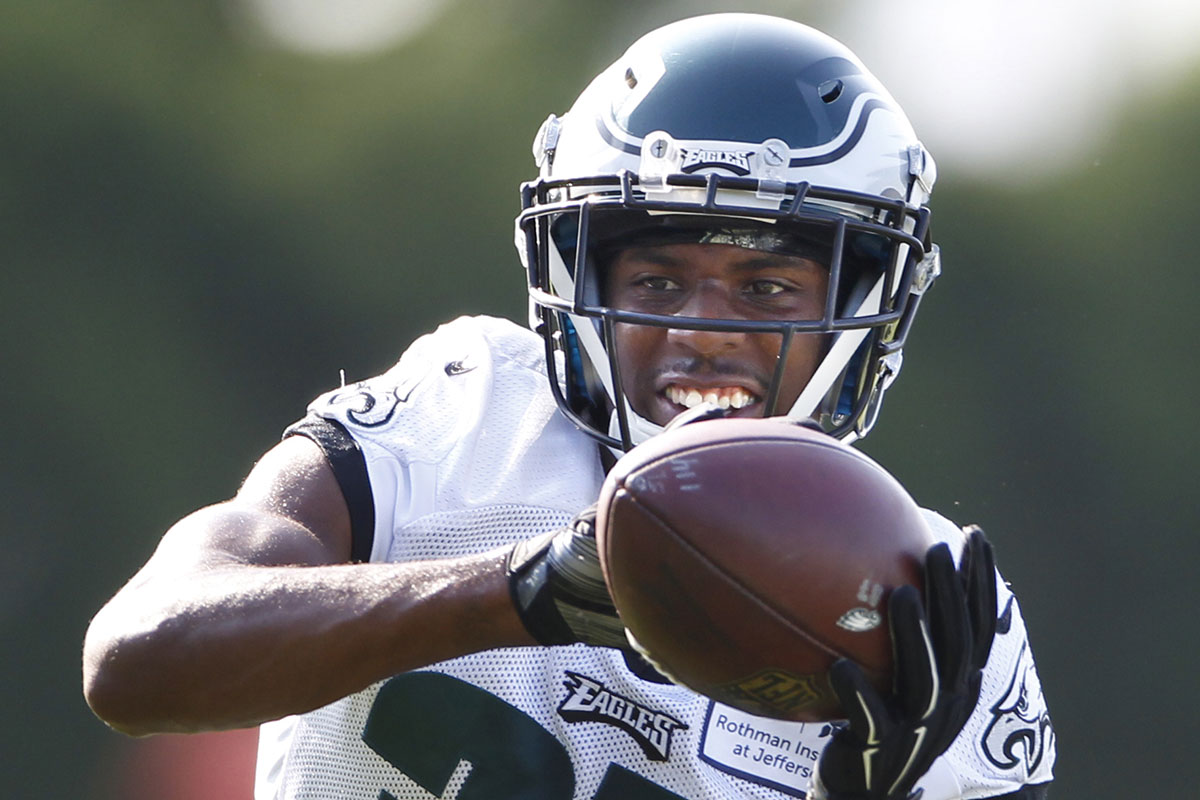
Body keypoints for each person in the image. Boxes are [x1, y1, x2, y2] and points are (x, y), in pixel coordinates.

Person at [82, 13, 1056, 800]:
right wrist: (521, 591)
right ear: (576, 279)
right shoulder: (467, 416)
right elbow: (137, 656)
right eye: (658, 280)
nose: (705, 330)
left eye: (765, 288)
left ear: (865, 303)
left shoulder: (929, 604)